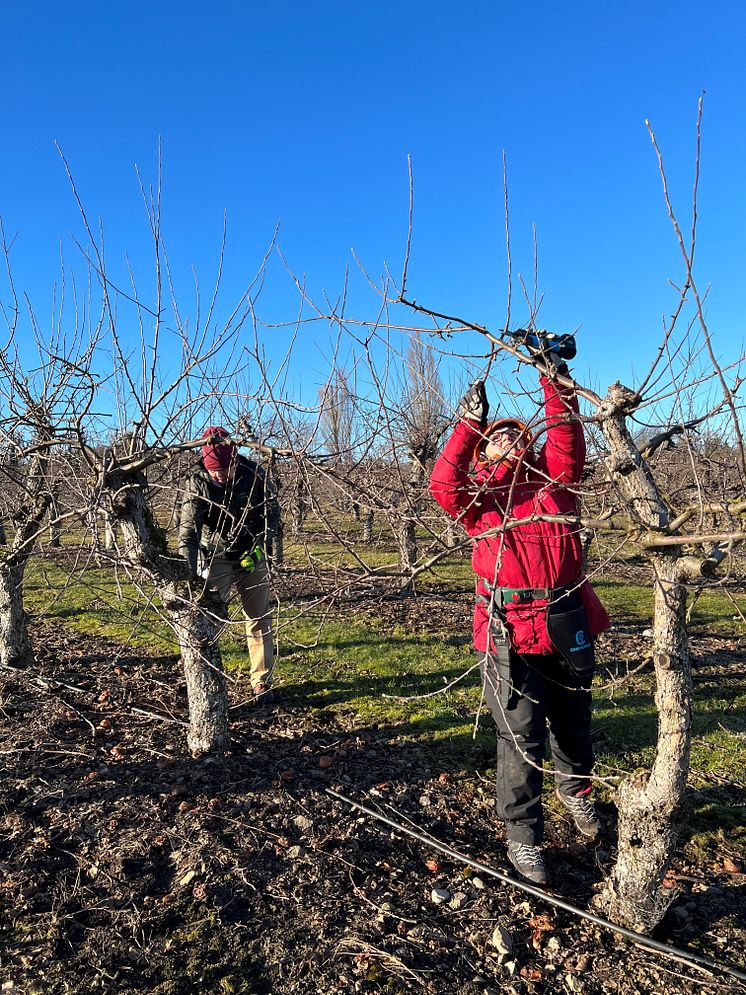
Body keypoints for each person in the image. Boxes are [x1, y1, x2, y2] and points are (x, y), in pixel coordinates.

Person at [429, 355, 610, 885]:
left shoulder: (556, 486)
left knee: (574, 723)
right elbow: (444, 483)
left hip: (564, 617)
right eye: (497, 437)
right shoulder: (478, 501)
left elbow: (567, 441)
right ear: (485, 449)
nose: (509, 441)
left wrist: (554, 384)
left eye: (515, 435)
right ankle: (524, 837)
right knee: (520, 736)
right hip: (507, 626)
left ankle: (576, 793)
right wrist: (467, 425)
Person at [179, 426, 281, 705]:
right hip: (216, 555)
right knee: (208, 618)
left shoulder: (254, 474)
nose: (221, 476)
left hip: (251, 553)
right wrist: (188, 576)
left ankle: (262, 681)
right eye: (216, 472)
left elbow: (272, 514)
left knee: (259, 618)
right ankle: (204, 678)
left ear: (235, 460)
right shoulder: (197, 482)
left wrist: (260, 543)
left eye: (225, 470)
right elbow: (188, 533)